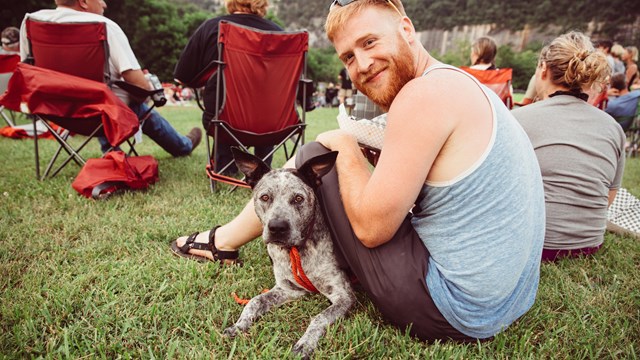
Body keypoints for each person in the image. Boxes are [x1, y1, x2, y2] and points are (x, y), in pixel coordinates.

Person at [171, 0, 545, 342]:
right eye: (348, 57)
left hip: (452, 309)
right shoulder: (458, 84)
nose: (361, 65)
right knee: (331, 158)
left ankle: (223, 240)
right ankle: (231, 238)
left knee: (320, 150)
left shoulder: (423, 96)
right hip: (507, 302)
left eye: (370, 42)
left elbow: (372, 229)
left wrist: (346, 147)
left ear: (407, 29)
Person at [20, 0, 202, 157]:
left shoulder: (31, 22)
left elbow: (27, 70)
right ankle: (182, 146)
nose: (104, 4)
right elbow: (139, 84)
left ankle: (111, 149)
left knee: (105, 96)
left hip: (54, 111)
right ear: (83, 2)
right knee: (137, 106)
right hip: (101, 114)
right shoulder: (104, 26)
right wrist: (146, 86)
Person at [512, 31, 626, 262]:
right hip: (589, 243)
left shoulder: (517, 119)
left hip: (531, 242)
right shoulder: (613, 127)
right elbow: (609, 195)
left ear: (543, 69)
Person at [174, 0, 282, 175]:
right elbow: (301, 89)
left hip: (224, 119)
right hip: (273, 123)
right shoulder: (280, 35)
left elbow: (182, 76)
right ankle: (262, 167)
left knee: (227, 109)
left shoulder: (211, 27)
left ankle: (226, 167)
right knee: (263, 109)